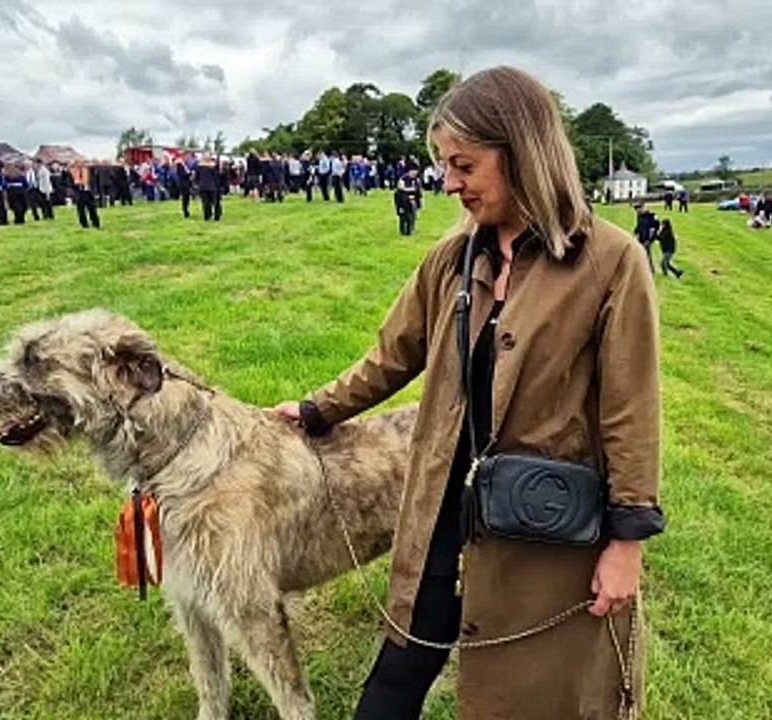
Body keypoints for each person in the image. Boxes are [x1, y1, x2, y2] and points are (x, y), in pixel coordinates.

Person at [272, 66, 663, 719]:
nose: (448, 183)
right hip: (441, 506)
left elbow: (631, 413)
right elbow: (392, 355)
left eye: (464, 165)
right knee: (400, 666)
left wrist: (626, 545)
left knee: (529, 693)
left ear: (523, 155)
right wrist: (315, 410)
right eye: (444, 165)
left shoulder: (612, 263)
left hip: (541, 527)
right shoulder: (449, 259)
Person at [69, 161, 100, 229]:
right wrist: (75, 185)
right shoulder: (73, 173)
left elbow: (95, 182)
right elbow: (69, 184)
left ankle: (96, 224)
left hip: (88, 192)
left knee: (92, 209)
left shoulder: (89, 171)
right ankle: (84, 225)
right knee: (81, 211)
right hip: (79, 193)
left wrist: (96, 192)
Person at [193, 154, 222, 221]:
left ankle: (207, 216)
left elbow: (196, 177)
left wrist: (197, 184)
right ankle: (216, 216)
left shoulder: (199, 167)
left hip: (202, 187)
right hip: (212, 187)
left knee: (205, 202)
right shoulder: (213, 167)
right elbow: (216, 177)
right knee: (215, 202)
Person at [394, 167, 421, 236]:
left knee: (412, 216)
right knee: (403, 216)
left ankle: (410, 230)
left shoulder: (416, 180)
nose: (414, 174)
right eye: (413, 172)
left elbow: (418, 191)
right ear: (409, 171)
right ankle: (403, 231)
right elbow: (401, 189)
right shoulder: (403, 179)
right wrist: (410, 189)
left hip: (413, 200)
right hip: (403, 200)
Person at [632, 202, 658, 272]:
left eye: (639, 209)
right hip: (641, 237)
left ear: (643, 207)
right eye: (636, 210)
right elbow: (638, 225)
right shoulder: (639, 216)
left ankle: (651, 269)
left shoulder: (652, 216)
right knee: (639, 253)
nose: (638, 211)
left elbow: (655, 228)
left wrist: (650, 239)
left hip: (648, 238)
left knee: (646, 253)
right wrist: (635, 232)